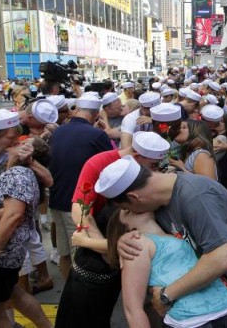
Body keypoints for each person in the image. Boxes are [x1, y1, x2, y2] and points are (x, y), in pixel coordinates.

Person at [98, 157, 227, 328]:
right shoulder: (156, 204)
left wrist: (166, 295)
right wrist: (122, 238)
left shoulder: (196, 195)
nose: (134, 214)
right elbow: (149, 235)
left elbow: (220, 259)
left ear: (134, 197)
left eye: (125, 208)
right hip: (218, 304)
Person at [54, 131, 171, 328]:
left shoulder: (142, 195)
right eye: (152, 166)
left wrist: (90, 243)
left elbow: (141, 243)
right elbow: (81, 209)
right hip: (95, 265)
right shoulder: (101, 165)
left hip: (105, 260)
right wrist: (105, 251)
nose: (156, 173)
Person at [106, 208, 227, 327]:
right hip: (192, 321)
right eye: (127, 210)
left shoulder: (174, 230)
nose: (133, 208)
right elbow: (132, 309)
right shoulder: (133, 245)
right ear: (125, 229)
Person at [0, 139, 51, 328]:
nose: (11, 144)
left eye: (17, 143)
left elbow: (13, 216)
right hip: (5, 255)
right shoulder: (21, 173)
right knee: (15, 294)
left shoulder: (18, 174)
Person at [48, 94, 113, 278]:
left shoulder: (59, 131)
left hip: (57, 199)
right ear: (96, 115)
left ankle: (69, 295)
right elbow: (114, 164)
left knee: (64, 253)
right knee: (80, 255)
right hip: (79, 204)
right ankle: (77, 296)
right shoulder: (97, 135)